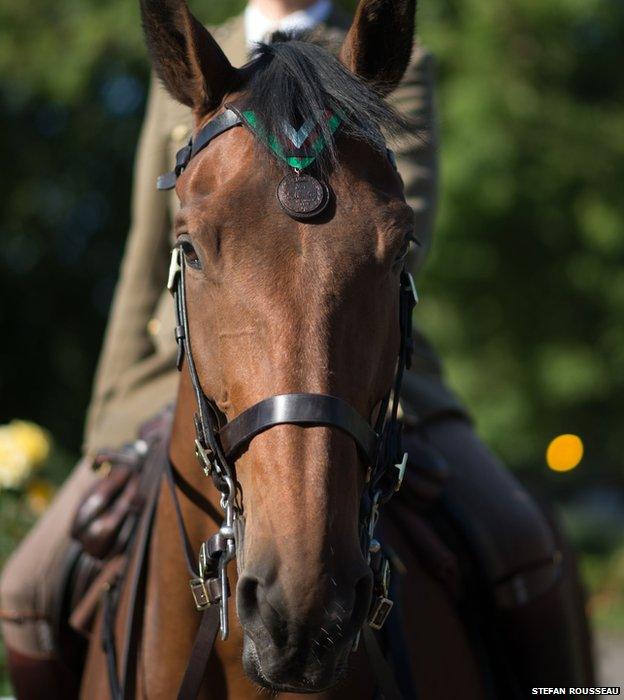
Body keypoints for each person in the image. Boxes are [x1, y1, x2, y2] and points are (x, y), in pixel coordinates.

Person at [0, 0, 591, 696]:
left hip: (356, 355)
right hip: (181, 368)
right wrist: (115, 415)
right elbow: (143, 259)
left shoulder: (385, 58)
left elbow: (399, 223)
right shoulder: (196, 61)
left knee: (520, 541)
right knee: (26, 590)